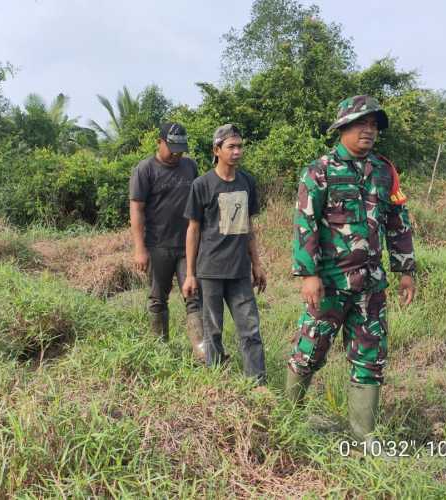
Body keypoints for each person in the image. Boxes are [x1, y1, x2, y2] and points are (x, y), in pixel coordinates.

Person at [285, 95, 416, 440]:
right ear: (342, 127)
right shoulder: (320, 170)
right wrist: (309, 275)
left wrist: (406, 270)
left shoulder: (385, 171)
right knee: (309, 351)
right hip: (329, 284)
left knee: (370, 358)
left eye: (373, 125)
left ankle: (363, 438)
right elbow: (306, 223)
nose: (368, 131)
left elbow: (397, 222)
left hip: (371, 286)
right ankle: (286, 421)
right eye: (361, 123)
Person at [182, 124, 267, 386]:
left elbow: (249, 227)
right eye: (231, 146)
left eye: (240, 146)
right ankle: (217, 383)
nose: (237, 151)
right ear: (216, 150)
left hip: (240, 270)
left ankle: (257, 383)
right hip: (210, 271)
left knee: (250, 329)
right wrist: (190, 275)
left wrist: (257, 264)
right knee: (213, 331)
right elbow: (193, 230)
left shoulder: (247, 182)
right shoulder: (202, 185)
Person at [129, 122, 205, 362]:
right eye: (171, 148)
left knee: (193, 297)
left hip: (187, 247)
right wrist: (140, 249)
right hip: (157, 246)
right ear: (159, 142)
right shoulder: (145, 170)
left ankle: (202, 354)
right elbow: (137, 210)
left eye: (180, 149)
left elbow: (200, 204)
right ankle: (159, 351)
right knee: (157, 300)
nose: (176, 154)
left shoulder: (190, 167)